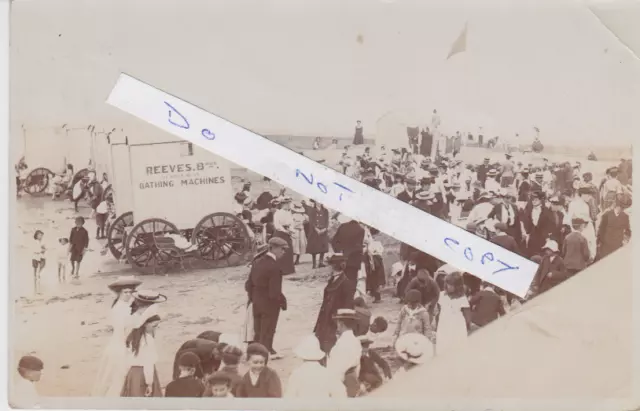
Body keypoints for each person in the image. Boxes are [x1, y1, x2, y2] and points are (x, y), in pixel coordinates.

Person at [92, 276, 143, 397]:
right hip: (120, 344)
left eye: (130, 292)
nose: (128, 294)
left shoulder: (126, 306)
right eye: (125, 292)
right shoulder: (119, 308)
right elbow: (123, 330)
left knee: (118, 375)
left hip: (121, 342)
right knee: (118, 375)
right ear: (119, 293)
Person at [244, 237, 289, 360]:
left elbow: (248, 284)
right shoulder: (274, 267)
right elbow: (274, 292)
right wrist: (282, 301)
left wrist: (253, 298)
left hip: (256, 301)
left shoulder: (257, 262)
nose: (284, 252)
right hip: (269, 303)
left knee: (258, 329)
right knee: (269, 328)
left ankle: (258, 352)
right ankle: (266, 351)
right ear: (273, 248)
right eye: (282, 249)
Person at [120, 290, 167, 397]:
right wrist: (149, 383)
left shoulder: (132, 335)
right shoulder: (147, 339)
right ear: (145, 324)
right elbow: (148, 363)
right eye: (154, 326)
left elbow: (125, 359)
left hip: (132, 374)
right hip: (144, 376)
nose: (155, 329)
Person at [314, 253, 356, 354]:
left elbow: (348, 307)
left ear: (334, 266)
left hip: (335, 322)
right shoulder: (333, 279)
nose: (329, 268)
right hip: (326, 319)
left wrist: (341, 325)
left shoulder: (346, 283)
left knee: (331, 348)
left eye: (330, 265)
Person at [327, 309, 362, 397]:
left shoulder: (341, 344)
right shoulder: (356, 341)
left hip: (342, 388)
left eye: (338, 322)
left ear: (341, 324)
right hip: (353, 384)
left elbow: (336, 372)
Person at [436, 272, 471, 356]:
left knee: (456, 347)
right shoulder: (441, 295)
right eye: (447, 284)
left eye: (450, 285)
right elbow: (439, 310)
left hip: (457, 326)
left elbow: (467, 316)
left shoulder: (462, 298)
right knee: (443, 346)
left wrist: (467, 326)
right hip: (444, 324)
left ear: (457, 286)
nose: (447, 286)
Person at [331, 215, 365, 288]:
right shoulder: (361, 230)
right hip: (353, 260)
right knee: (351, 282)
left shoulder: (342, 226)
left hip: (340, 259)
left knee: (338, 281)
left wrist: (339, 252)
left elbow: (334, 242)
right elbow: (358, 247)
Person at [522, 191, 556, 258]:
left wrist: (547, 236)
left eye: (536, 200)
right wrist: (526, 232)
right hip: (531, 238)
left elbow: (551, 224)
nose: (533, 201)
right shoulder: (529, 210)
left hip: (542, 238)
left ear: (541, 200)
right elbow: (525, 222)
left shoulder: (546, 211)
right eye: (532, 199)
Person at [272, 198, 296, 274]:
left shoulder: (289, 213)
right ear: (283, 204)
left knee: (289, 250)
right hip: (280, 233)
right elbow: (277, 225)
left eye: (289, 204)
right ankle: (280, 270)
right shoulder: (278, 213)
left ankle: (288, 269)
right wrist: (285, 231)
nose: (289, 205)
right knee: (280, 251)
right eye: (288, 204)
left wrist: (291, 230)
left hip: (287, 233)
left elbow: (291, 223)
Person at [304, 199, 329, 269]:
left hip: (323, 230)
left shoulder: (325, 211)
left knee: (322, 246)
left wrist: (325, 228)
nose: (319, 202)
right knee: (314, 247)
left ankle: (321, 262)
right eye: (317, 200)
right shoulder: (312, 210)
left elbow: (327, 221)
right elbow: (311, 221)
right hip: (314, 231)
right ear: (315, 202)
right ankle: (314, 263)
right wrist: (316, 229)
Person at [31, 230, 46, 294]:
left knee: (43, 264)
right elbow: (35, 249)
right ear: (36, 236)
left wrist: (43, 249)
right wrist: (41, 250)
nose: (41, 236)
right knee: (35, 267)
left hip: (41, 256)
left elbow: (44, 249)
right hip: (35, 256)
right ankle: (35, 277)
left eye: (41, 235)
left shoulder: (42, 242)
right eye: (39, 235)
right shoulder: (35, 242)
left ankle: (38, 274)